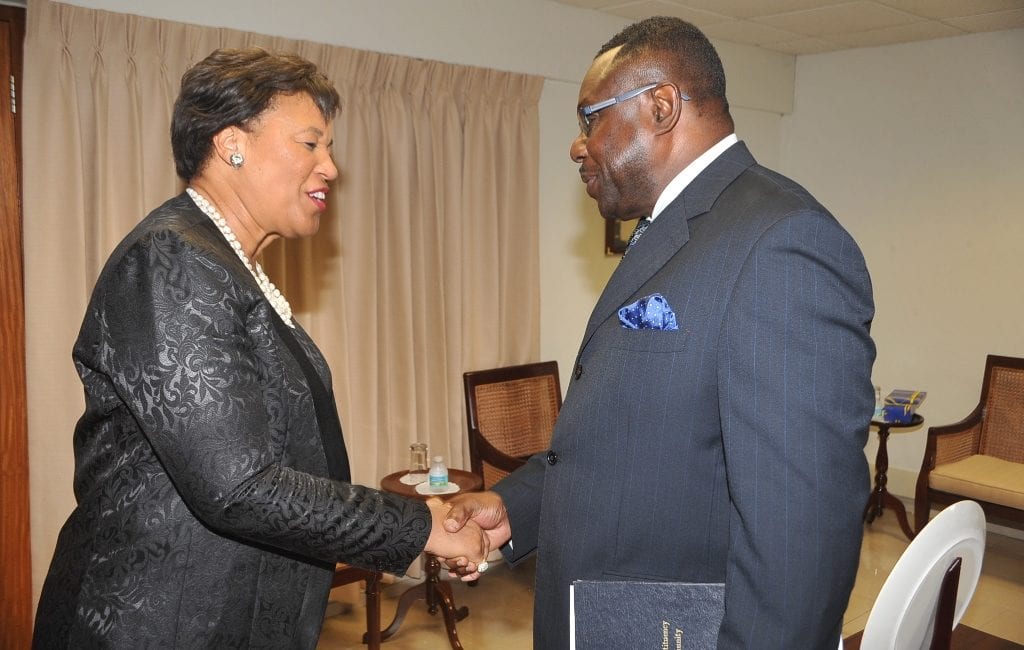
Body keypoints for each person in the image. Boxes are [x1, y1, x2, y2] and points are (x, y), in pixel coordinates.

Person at [442, 17, 876, 649]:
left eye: (589, 118)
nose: (575, 145)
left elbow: (798, 538)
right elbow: (635, 437)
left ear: (663, 107)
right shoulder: (673, 230)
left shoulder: (781, 241)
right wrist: (515, 508)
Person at [32, 47, 487, 649]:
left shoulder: (227, 266)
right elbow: (238, 486)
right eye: (309, 143)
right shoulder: (173, 259)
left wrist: (420, 524)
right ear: (230, 144)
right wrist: (418, 525)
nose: (331, 166)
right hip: (157, 624)